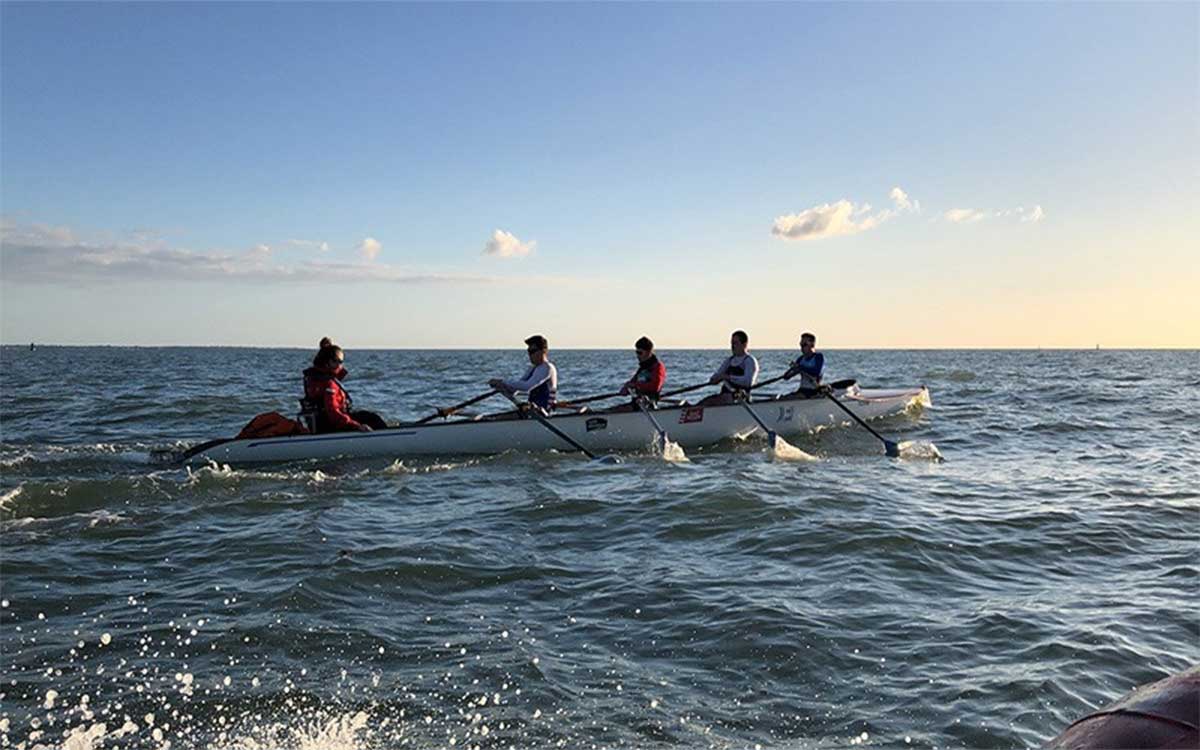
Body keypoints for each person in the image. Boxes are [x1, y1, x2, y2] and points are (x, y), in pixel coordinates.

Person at [301, 338, 388, 433]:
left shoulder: (314, 378)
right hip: (332, 425)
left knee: (367, 416)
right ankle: (387, 438)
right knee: (372, 418)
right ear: (326, 362)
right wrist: (356, 426)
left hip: (324, 423)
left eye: (340, 362)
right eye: (336, 361)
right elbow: (333, 413)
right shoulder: (328, 383)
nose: (339, 365)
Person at [488, 334, 557, 412]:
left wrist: (503, 381)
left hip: (544, 413)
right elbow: (515, 389)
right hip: (532, 412)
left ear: (543, 351)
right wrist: (502, 386)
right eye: (528, 351)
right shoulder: (532, 368)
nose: (530, 355)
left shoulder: (547, 367)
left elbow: (526, 387)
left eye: (532, 351)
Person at [701, 330, 759, 404]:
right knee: (706, 401)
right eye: (732, 343)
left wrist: (727, 377)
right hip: (724, 397)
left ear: (744, 344)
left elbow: (748, 382)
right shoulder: (729, 361)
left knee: (725, 398)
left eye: (735, 343)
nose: (732, 346)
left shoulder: (750, 361)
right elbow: (718, 374)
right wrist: (714, 379)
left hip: (740, 398)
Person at [620, 336, 667, 401]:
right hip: (637, 405)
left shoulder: (658, 367)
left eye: (640, 353)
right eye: (636, 352)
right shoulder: (641, 369)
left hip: (649, 405)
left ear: (649, 352)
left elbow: (655, 386)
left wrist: (635, 386)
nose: (637, 356)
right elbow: (632, 382)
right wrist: (626, 387)